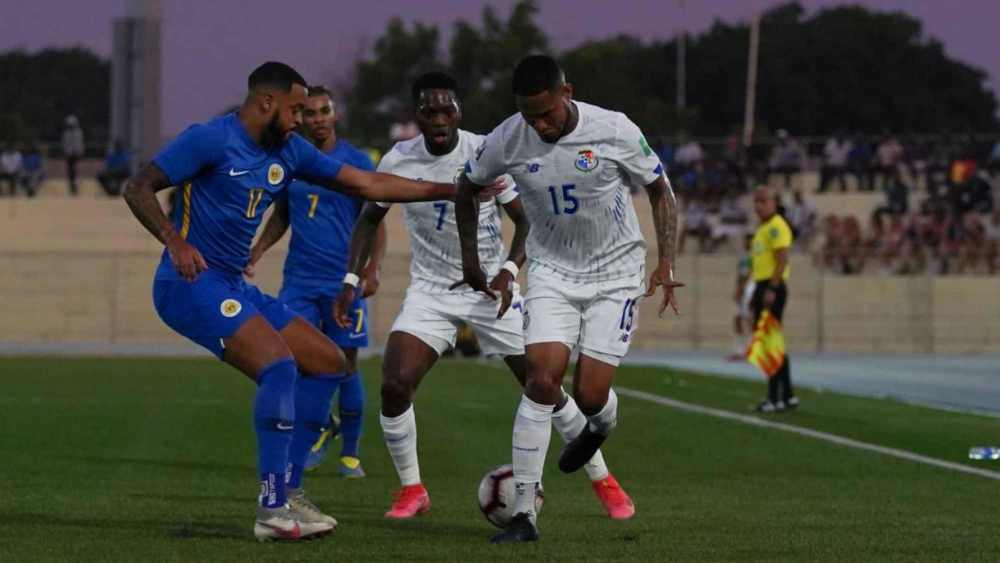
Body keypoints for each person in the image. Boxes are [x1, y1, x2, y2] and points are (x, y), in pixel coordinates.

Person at [122, 61, 473, 542]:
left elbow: (367, 184)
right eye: (295, 110)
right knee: (279, 366)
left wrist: (451, 190)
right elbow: (137, 186)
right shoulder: (209, 139)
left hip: (232, 285)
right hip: (189, 283)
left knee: (328, 362)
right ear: (266, 102)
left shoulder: (288, 150)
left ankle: (289, 490)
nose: (301, 120)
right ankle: (272, 508)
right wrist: (174, 240)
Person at [333, 71, 635, 522]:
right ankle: (412, 489)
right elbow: (368, 219)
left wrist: (510, 271)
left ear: (459, 111)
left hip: (492, 291)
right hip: (432, 291)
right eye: (429, 111)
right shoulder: (399, 158)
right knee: (394, 385)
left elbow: (526, 220)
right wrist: (351, 279)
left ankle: (602, 478)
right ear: (417, 115)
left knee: (544, 386)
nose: (439, 119)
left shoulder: (485, 151)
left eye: (447, 109)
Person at [454, 55, 682, 543]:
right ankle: (524, 514)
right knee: (541, 379)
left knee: (591, 397)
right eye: (529, 116)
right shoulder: (506, 139)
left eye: (546, 114)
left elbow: (659, 188)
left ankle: (600, 425)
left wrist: (666, 261)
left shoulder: (613, 129)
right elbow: (466, 186)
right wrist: (472, 261)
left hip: (616, 273)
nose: (539, 125)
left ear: (566, 93)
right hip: (552, 272)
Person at [247, 85, 385, 479]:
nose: (318, 119)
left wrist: (371, 269)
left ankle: (351, 455)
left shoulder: (356, 162)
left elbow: (374, 222)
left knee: (347, 365)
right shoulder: (292, 159)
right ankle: (322, 424)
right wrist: (257, 251)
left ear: (334, 114)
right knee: (293, 358)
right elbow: (281, 216)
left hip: (343, 282)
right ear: (301, 117)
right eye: (310, 113)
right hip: (299, 281)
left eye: (324, 111)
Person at [749, 187, 798, 412]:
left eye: (763, 201)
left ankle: (773, 397)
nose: (759, 206)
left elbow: (782, 259)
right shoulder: (763, 228)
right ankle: (787, 395)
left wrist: (772, 288)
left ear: (774, 203)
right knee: (774, 342)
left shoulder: (777, 225)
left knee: (770, 343)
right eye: (756, 201)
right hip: (763, 285)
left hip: (771, 286)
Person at [61, 115, 84, 196]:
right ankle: (72, 187)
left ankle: (76, 186)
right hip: (69, 155)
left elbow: (80, 144)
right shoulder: (66, 133)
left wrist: (79, 152)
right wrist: (66, 152)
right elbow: (65, 144)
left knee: (76, 170)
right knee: (70, 171)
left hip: (76, 154)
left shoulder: (79, 133)